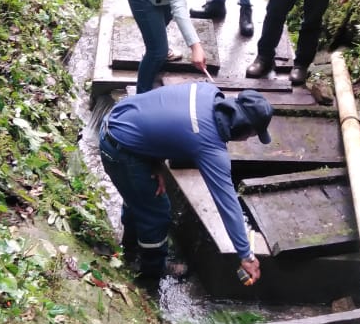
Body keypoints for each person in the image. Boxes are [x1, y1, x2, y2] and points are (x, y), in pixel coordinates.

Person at [98, 82, 272, 284]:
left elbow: (165, 118)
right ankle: (151, 271)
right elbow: (228, 205)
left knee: (139, 198)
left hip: (119, 121)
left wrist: (155, 162)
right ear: (242, 127)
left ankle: (130, 249)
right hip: (121, 149)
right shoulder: (210, 147)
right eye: (252, 135)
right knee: (157, 214)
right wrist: (246, 255)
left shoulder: (208, 91)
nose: (248, 140)